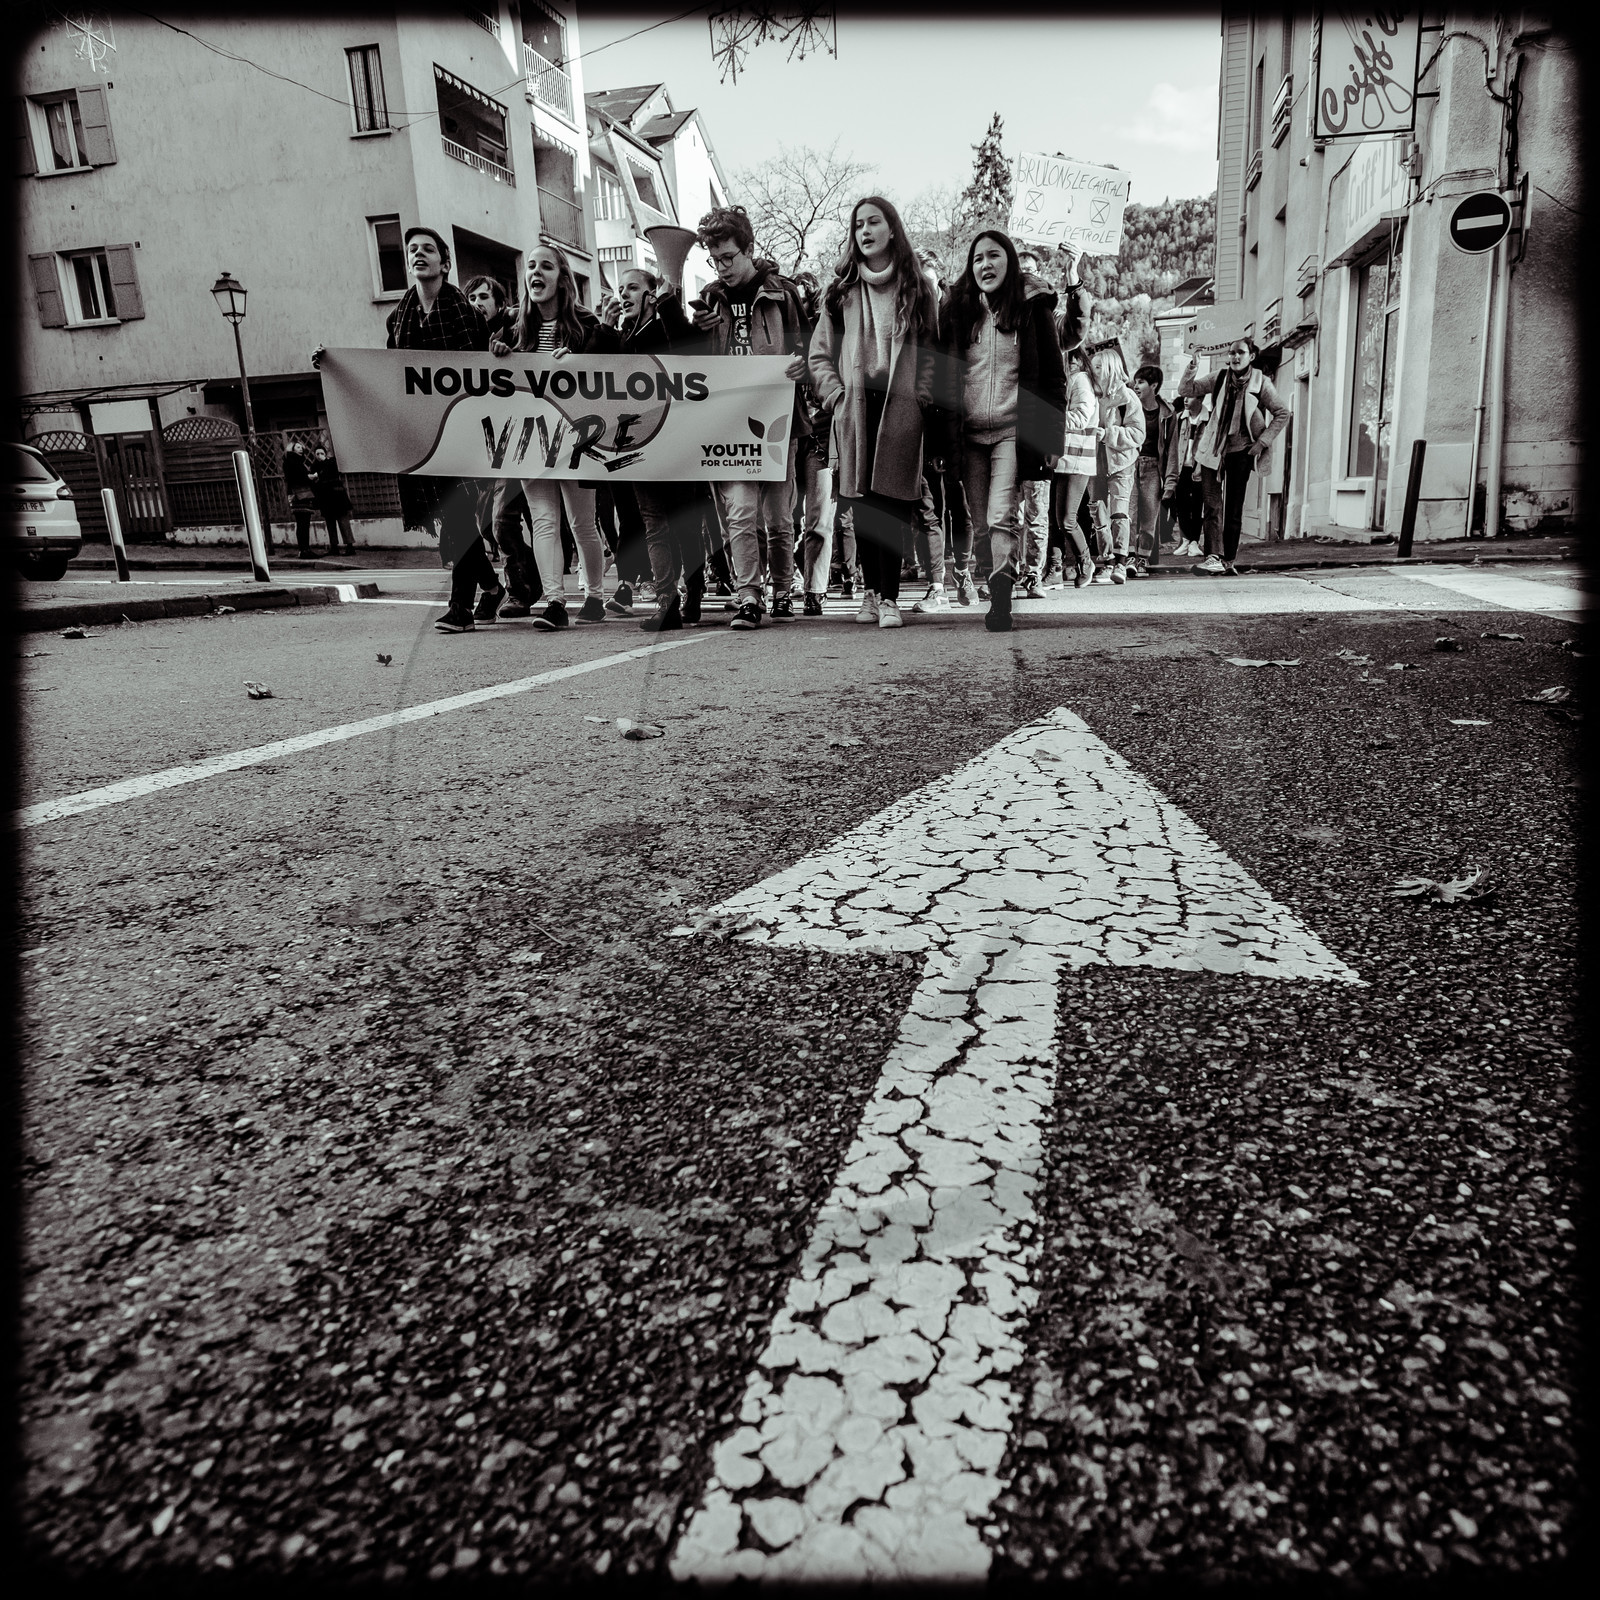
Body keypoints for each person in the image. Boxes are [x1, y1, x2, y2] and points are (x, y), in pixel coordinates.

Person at [314, 225, 498, 629]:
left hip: (460, 431)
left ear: (444, 263)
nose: (418, 254)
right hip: (420, 435)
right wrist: (334, 365)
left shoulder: (464, 313)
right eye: (412, 249)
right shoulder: (399, 316)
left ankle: (461, 608)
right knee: (452, 522)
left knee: (457, 517)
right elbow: (390, 374)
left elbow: (481, 373)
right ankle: (492, 585)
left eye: (428, 249)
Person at [808, 195, 938, 631]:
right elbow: (819, 356)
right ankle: (875, 592)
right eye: (858, 224)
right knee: (861, 506)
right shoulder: (841, 290)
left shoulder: (919, 287)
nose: (864, 231)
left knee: (895, 505)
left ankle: (889, 596)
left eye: (874, 222)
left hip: (901, 406)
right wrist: (836, 398)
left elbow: (934, 355)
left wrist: (920, 399)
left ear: (892, 229)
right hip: (857, 405)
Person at [935, 229, 1066, 632]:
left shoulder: (1031, 308)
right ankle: (996, 583)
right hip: (969, 434)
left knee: (1000, 516)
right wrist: (941, 440)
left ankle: (1002, 602)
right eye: (977, 259)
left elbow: (1052, 376)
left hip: (1011, 430)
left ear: (1009, 261)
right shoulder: (957, 311)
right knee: (979, 523)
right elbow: (941, 378)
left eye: (994, 256)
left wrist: (1049, 437)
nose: (985, 265)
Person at [688, 206, 812, 630]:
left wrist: (804, 367)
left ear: (749, 249)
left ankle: (782, 589)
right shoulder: (708, 298)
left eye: (727, 257)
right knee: (739, 511)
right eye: (713, 258)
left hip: (779, 422)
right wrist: (697, 330)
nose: (720, 267)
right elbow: (695, 370)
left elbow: (811, 350)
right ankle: (748, 596)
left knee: (779, 518)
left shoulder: (783, 293)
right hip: (729, 422)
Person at [489, 242, 622, 630]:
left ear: (562, 278)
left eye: (545, 266)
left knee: (582, 522)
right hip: (531, 438)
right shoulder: (514, 330)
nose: (535, 273)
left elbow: (613, 366)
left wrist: (582, 360)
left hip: (577, 438)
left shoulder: (587, 327)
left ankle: (595, 595)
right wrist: (496, 351)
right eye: (530, 266)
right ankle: (555, 602)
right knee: (543, 519)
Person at [607, 265, 706, 632]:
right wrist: (608, 328)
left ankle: (693, 587)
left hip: (678, 440)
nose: (623, 295)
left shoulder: (668, 327)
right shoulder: (623, 336)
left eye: (632, 287)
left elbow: (688, 346)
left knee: (684, 523)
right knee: (653, 523)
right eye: (621, 289)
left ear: (652, 293)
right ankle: (667, 600)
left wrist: (667, 303)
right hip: (639, 442)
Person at [1178, 337, 1290, 576]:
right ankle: (1212, 556)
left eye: (1240, 353)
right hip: (1213, 449)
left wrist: (1261, 443)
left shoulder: (1261, 382)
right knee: (1211, 504)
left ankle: (1228, 559)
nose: (1235, 357)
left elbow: (1282, 413)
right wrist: (1193, 365)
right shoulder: (1219, 377)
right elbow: (1186, 390)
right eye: (1231, 353)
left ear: (1251, 356)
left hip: (1241, 450)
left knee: (1234, 508)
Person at [787, 270, 836, 617]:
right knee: (782, 518)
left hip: (819, 435)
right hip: (786, 433)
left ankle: (815, 589)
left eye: (807, 296)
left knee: (819, 518)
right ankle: (785, 580)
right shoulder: (780, 332)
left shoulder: (828, 333)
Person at [1085, 343, 1144, 585]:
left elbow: (1138, 434)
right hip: (1093, 462)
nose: (1094, 371)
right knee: (1097, 511)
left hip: (1120, 463)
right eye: (1093, 367)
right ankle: (1106, 561)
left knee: (1119, 512)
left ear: (1110, 368)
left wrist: (1108, 434)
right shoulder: (1090, 394)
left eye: (1099, 367)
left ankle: (1120, 561)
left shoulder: (1127, 397)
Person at [1049, 344, 1099, 587]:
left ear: (1081, 361)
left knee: (1067, 520)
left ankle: (1086, 561)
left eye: (1073, 358)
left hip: (1078, 459)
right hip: (1066, 459)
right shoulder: (1071, 380)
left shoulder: (1080, 380)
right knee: (1059, 520)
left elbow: (1081, 416)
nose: (1068, 363)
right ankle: (1065, 567)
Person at [1128, 364, 1180, 577]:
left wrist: (1170, 481)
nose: (1135, 386)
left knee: (1149, 516)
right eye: (1135, 381)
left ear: (1154, 385)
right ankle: (1128, 556)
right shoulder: (1129, 406)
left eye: (1141, 382)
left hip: (1153, 468)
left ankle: (1142, 559)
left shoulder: (1167, 413)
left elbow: (1172, 449)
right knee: (1128, 514)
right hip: (1130, 464)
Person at [1171, 390, 1208, 557]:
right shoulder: (1179, 418)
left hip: (1200, 467)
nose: (1185, 400)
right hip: (1181, 468)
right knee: (1181, 506)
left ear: (1200, 398)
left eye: (1190, 396)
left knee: (1197, 505)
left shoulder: (1208, 419)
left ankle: (1194, 542)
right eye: (1184, 396)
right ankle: (1186, 540)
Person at [312, 445, 356, 555]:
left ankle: (350, 546)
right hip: (325, 498)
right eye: (317, 454)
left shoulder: (331, 462)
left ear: (325, 454)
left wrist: (321, 471)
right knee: (330, 523)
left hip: (337, 497)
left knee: (343, 522)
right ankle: (334, 547)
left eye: (321, 453)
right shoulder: (314, 466)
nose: (319, 456)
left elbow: (331, 472)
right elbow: (314, 480)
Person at [281, 440, 320, 559]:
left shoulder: (295, 461)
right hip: (299, 494)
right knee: (303, 522)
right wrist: (309, 477)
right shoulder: (292, 462)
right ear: (292, 449)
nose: (301, 449)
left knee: (303, 522)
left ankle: (305, 549)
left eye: (301, 447)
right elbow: (296, 477)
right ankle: (304, 549)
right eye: (298, 447)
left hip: (299, 493)